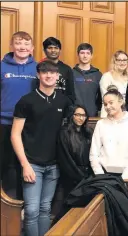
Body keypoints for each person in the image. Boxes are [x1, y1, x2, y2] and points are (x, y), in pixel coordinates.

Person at [11, 61, 72, 236]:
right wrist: (25, 164)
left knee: (46, 208)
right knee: (31, 210)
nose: (49, 75)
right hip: (32, 164)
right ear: (38, 75)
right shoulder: (26, 101)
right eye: (44, 72)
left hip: (54, 165)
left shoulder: (63, 100)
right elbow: (15, 135)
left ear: (58, 76)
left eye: (53, 72)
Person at [1, 31, 37, 199]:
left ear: (32, 48)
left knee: (23, 164)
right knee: (4, 163)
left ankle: (22, 203)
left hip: (28, 125)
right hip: (4, 122)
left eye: (26, 44)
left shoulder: (37, 68)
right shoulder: (2, 67)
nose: (22, 47)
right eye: (18, 43)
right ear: (11, 46)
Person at [89, 85, 128, 181]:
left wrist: (125, 178)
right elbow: (94, 153)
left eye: (111, 103)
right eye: (105, 104)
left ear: (121, 102)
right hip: (104, 175)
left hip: (127, 176)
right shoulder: (101, 124)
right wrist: (100, 176)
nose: (108, 107)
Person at [56, 105, 93, 198]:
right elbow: (65, 159)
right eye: (78, 115)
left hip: (87, 175)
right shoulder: (64, 133)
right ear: (72, 115)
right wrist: (80, 176)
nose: (81, 118)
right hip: (71, 176)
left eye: (84, 115)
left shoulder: (88, 132)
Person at [73, 43, 103, 117]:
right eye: (82, 53)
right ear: (78, 55)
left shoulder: (98, 74)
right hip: (74, 115)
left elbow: (100, 96)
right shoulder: (71, 73)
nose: (85, 56)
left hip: (92, 115)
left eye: (88, 53)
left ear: (91, 56)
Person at [42, 37, 75, 103]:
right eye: (50, 48)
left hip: (62, 108)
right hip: (42, 106)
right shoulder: (40, 68)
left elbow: (71, 93)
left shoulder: (67, 69)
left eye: (56, 48)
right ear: (44, 50)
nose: (53, 50)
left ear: (60, 50)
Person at [99, 50, 128, 118]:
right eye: (119, 60)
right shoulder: (107, 77)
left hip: (125, 114)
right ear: (114, 62)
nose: (122, 63)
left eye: (125, 60)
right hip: (109, 113)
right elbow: (105, 98)